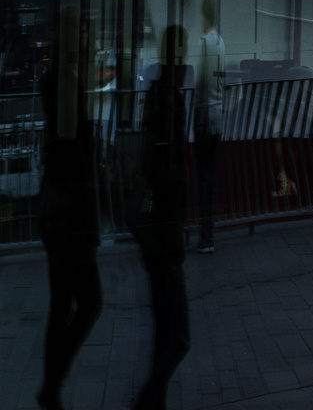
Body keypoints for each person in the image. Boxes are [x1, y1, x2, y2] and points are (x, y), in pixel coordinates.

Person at [37, 7, 102, 410]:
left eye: (85, 30)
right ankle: (53, 381)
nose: (84, 38)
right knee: (88, 302)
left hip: (61, 209)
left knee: (63, 302)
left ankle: (51, 387)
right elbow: (68, 155)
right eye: (78, 30)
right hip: (69, 212)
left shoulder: (65, 81)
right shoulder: (65, 83)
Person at [127, 25, 191, 410]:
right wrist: (176, 243)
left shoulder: (157, 94)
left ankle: (155, 401)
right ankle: (149, 398)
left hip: (154, 233)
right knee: (179, 336)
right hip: (165, 235)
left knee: (165, 330)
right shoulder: (170, 100)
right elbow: (169, 179)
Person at [192, 0, 225, 252]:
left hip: (203, 115)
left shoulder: (204, 43)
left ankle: (205, 236)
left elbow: (200, 80)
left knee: (202, 177)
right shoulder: (221, 42)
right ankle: (210, 234)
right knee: (211, 176)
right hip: (218, 115)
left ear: (204, 16)